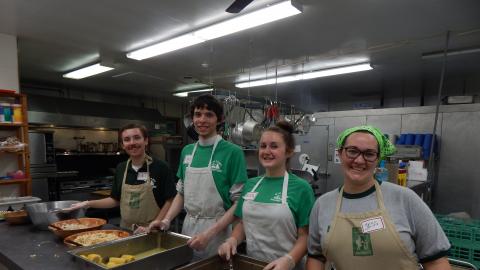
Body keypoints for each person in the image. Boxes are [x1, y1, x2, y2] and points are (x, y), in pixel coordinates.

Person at [306, 125, 451, 270]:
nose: (359, 160)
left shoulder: (405, 199)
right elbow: (316, 257)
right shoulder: (322, 205)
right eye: (352, 151)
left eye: (369, 154)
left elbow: (436, 261)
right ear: (340, 153)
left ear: (378, 159)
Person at [145, 94, 248, 260]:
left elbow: (239, 203)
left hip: (217, 231)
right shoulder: (187, 151)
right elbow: (181, 193)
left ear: (219, 119)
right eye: (198, 114)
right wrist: (166, 220)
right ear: (192, 119)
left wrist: (209, 234)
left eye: (209, 115)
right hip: (188, 228)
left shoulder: (232, 152)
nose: (202, 120)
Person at [218, 121, 315, 270]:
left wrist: (289, 260)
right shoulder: (251, 185)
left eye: (274, 146)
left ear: (288, 152)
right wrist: (232, 240)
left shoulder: (301, 188)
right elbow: (244, 224)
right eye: (263, 146)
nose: (266, 151)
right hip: (253, 264)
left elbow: (305, 236)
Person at [66, 123, 176, 230]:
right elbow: (115, 200)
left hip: (153, 231)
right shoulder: (121, 168)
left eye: (137, 138)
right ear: (123, 145)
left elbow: (170, 200)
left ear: (146, 140)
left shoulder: (161, 167)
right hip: (126, 230)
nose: (132, 143)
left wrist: (155, 223)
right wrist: (87, 204)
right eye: (127, 139)